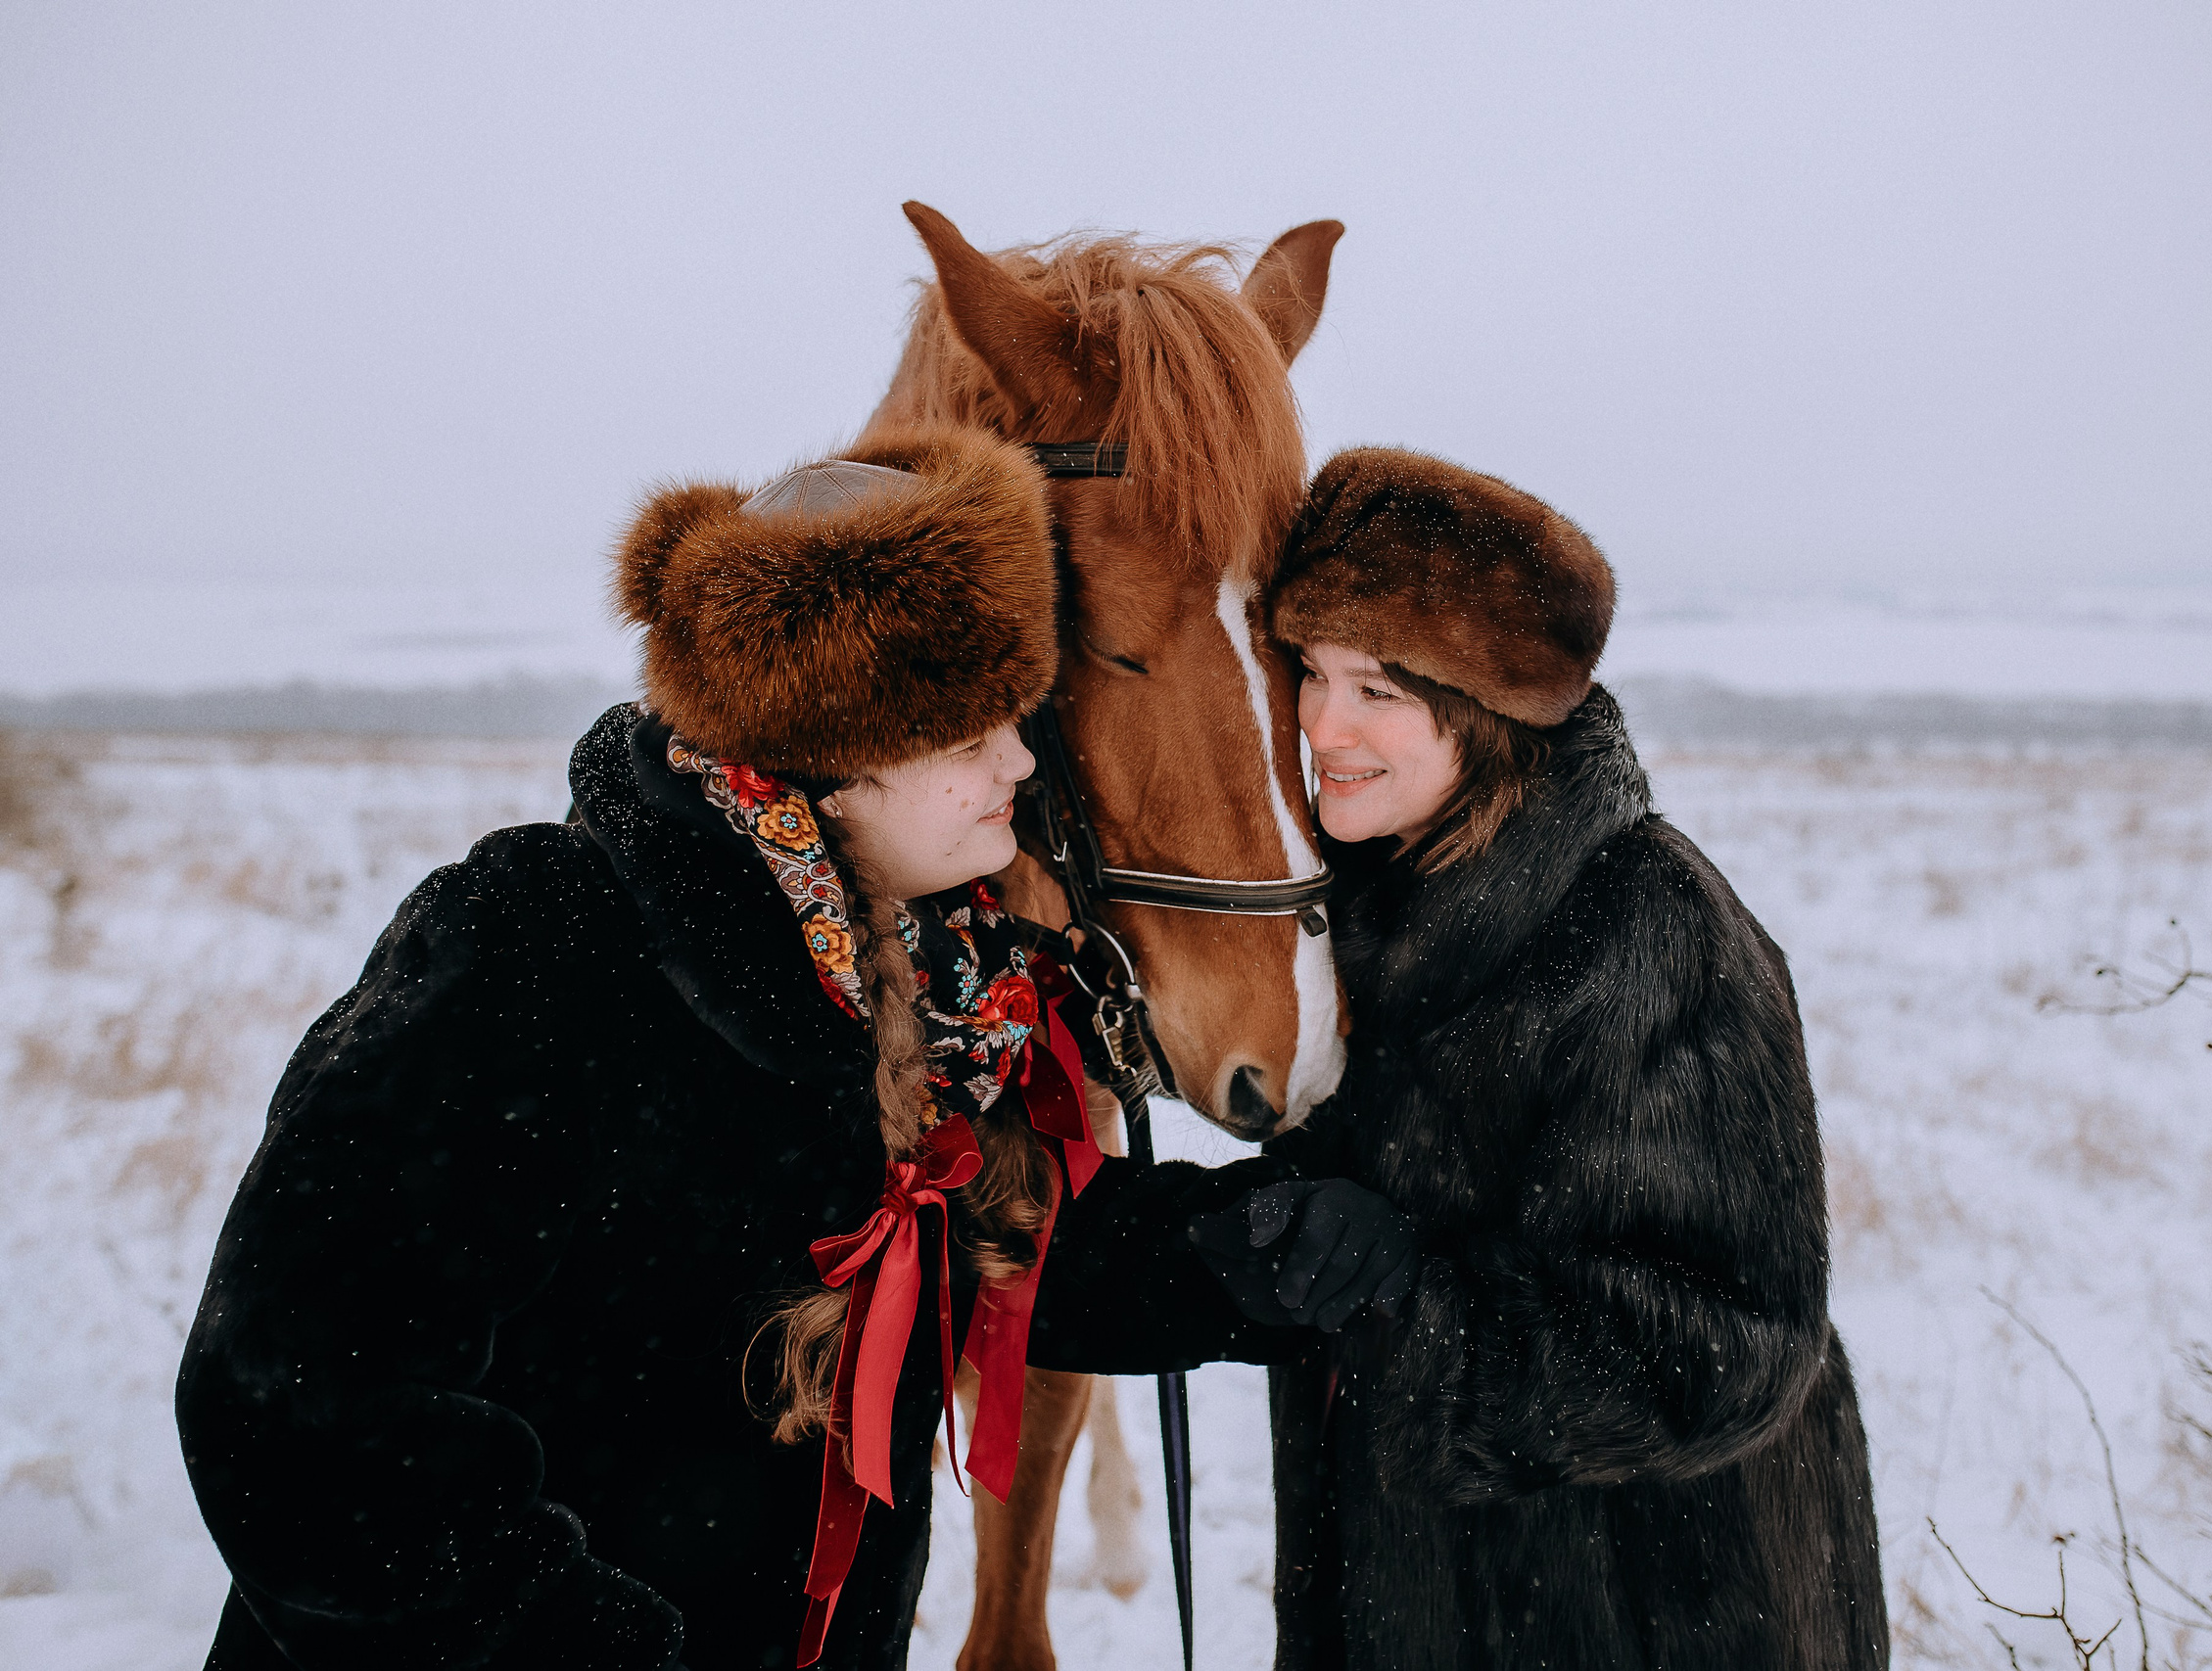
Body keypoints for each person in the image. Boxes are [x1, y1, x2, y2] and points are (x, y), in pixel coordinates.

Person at [176, 430, 1294, 1671]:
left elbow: (982, 1246)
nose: (1021, 768)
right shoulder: (536, 950)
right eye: (971, 736)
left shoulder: (929, 976)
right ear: (833, 762)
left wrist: (1240, 1258)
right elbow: (301, 1407)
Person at [1190, 448, 1888, 1669]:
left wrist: (1409, 1292)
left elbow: (1729, 1345)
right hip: (1405, 1599)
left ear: (1491, 709)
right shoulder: (1352, 907)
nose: (1321, 722)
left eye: (1380, 692)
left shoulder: (1650, 930)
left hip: (1656, 1607)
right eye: (1309, 671)